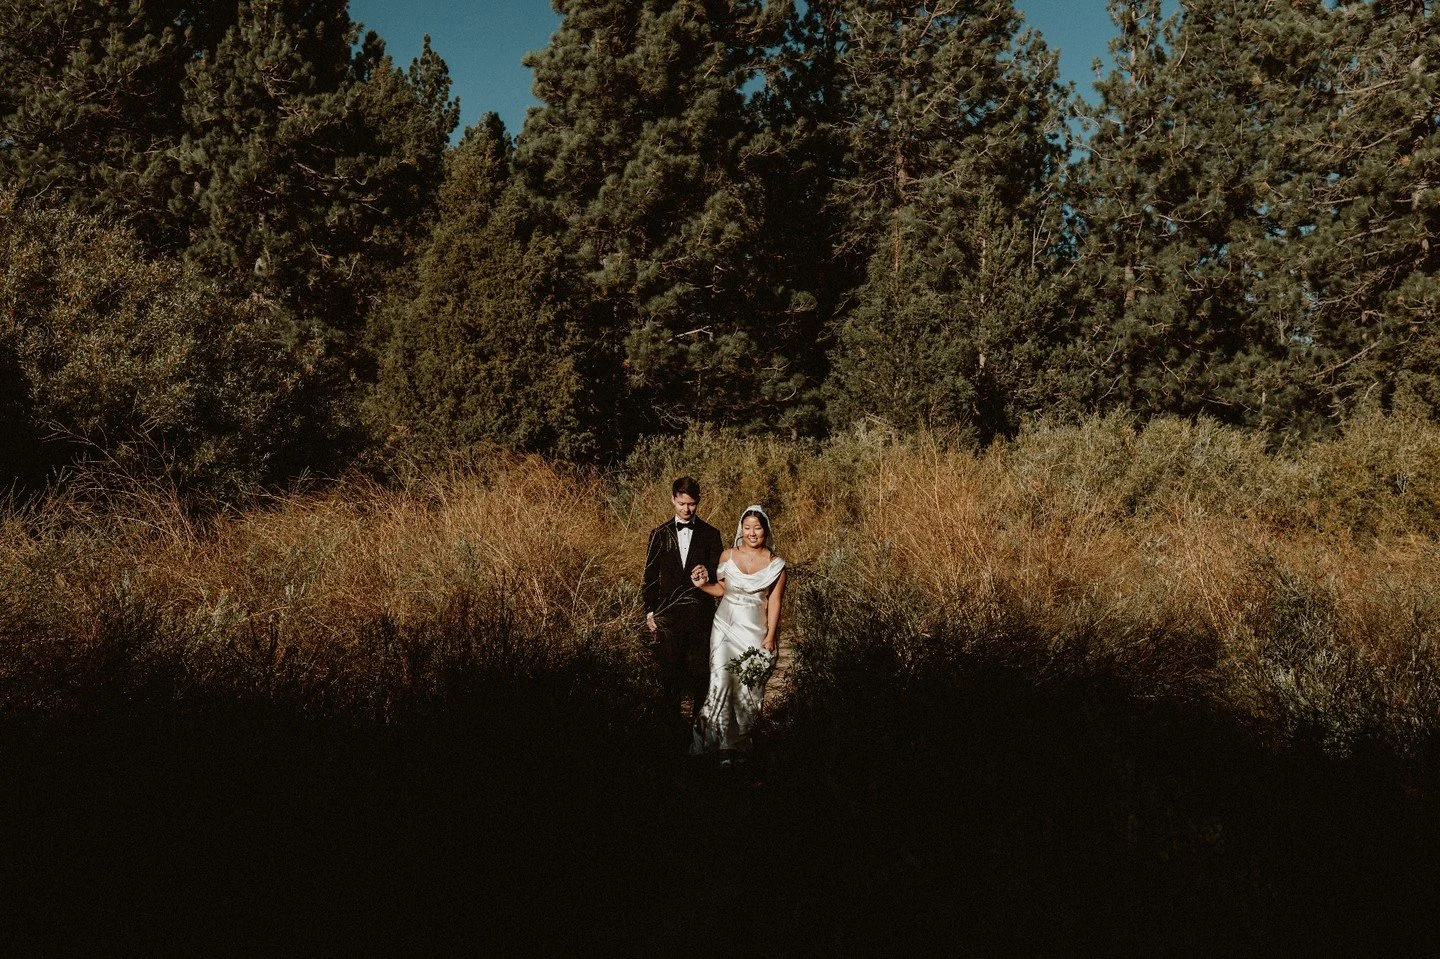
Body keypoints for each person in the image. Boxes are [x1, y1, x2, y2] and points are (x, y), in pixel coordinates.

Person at [688, 504, 787, 761]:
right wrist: (702, 586)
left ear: (765, 530)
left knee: (747, 687)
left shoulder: (776, 565)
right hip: (724, 628)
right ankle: (712, 743)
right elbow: (721, 590)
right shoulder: (727, 556)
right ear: (740, 529)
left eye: (757, 528)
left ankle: (737, 746)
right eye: (747, 528)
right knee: (720, 683)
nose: (752, 533)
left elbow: (775, 602)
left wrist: (770, 637)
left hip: (755, 632)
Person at [643, 476, 724, 739]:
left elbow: (720, 573)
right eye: (681, 504)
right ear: (672, 500)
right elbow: (650, 577)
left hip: (701, 615)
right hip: (668, 616)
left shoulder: (711, 534)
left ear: (698, 502)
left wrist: (707, 572)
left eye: (691, 504)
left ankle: (698, 734)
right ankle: (671, 733)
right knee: (670, 675)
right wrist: (649, 611)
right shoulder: (659, 534)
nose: (686, 509)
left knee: (701, 674)